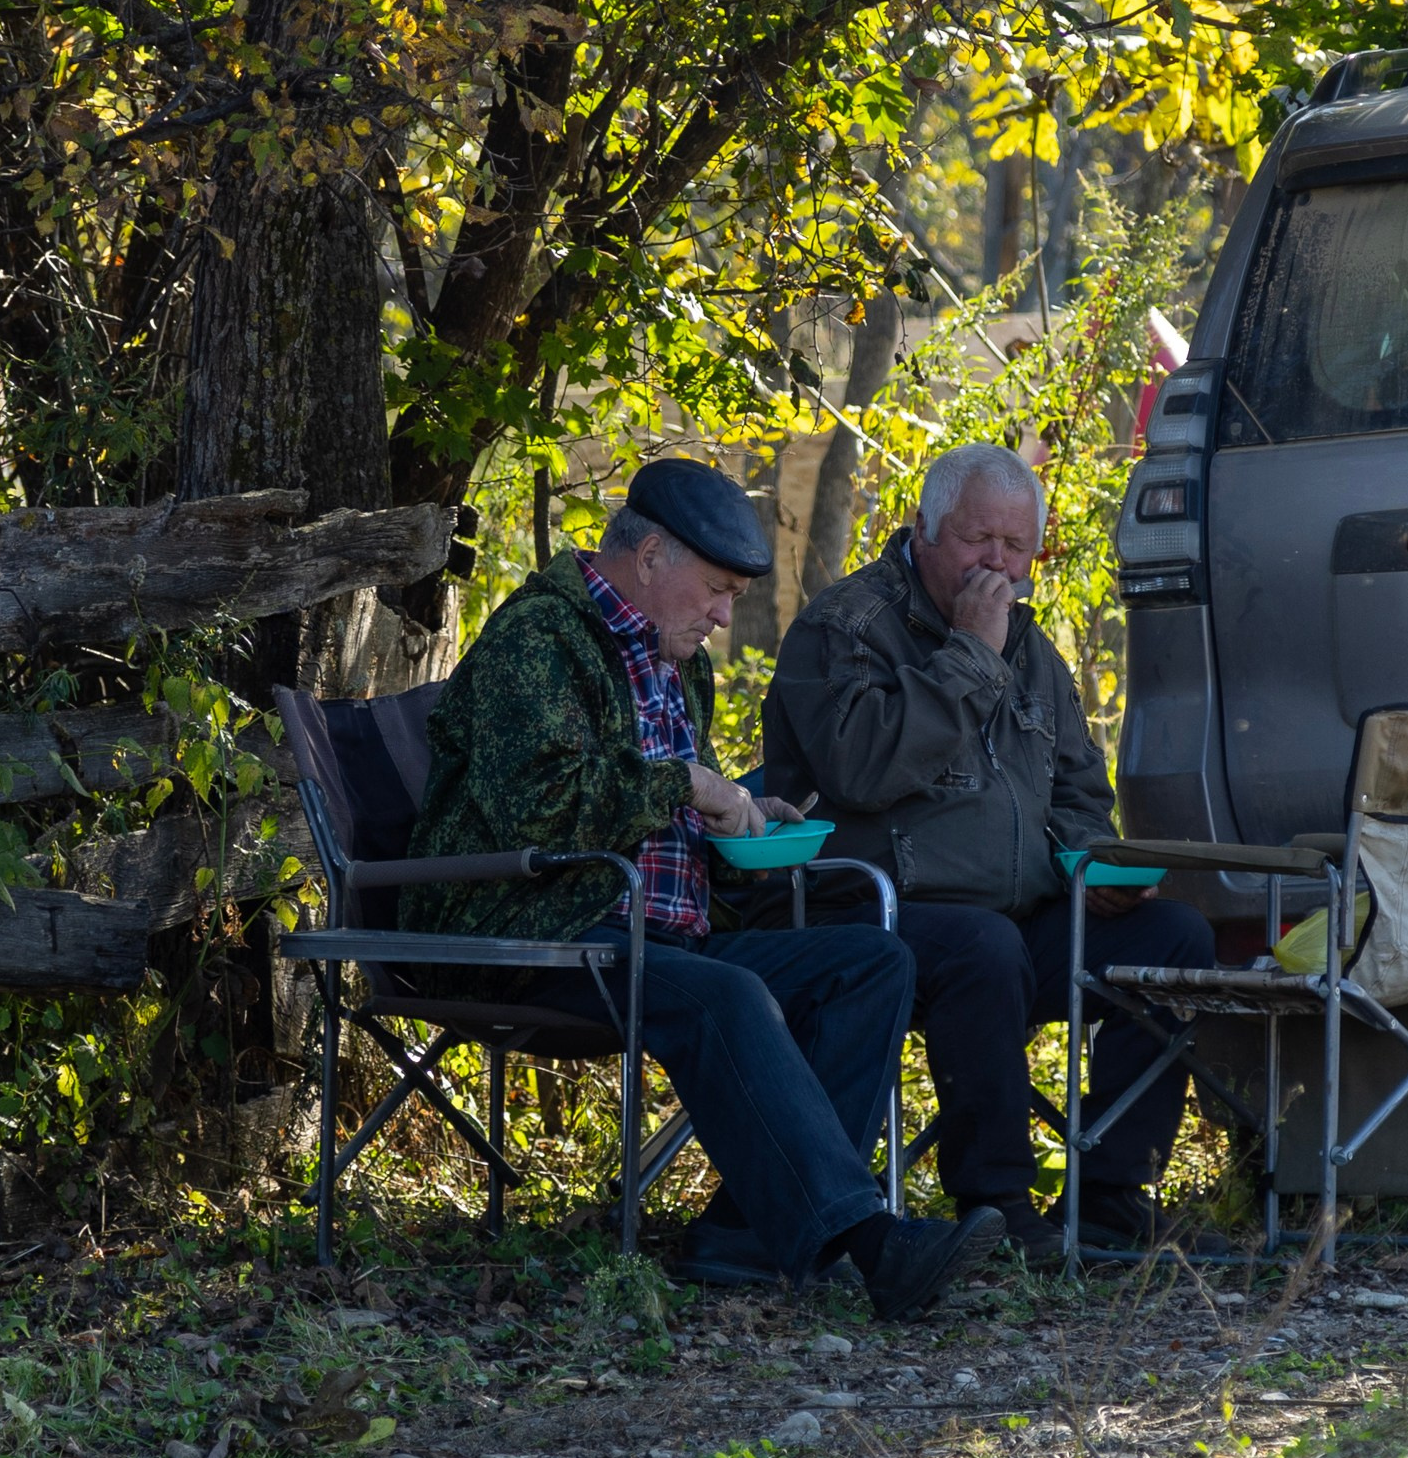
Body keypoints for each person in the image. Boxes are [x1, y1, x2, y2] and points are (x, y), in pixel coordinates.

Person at [400, 456, 1003, 1317]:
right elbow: (540, 806)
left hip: (658, 936)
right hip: (530, 927)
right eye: (717, 590)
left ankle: (745, 1238)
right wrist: (687, 785)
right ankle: (874, 1244)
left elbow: (673, 798)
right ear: (650, 559)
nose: (725, 617)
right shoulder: (539, 637)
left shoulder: (680, 663)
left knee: (873, 963)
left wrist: (746, 813)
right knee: (726, 994)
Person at [763, 442, 1218, 1259]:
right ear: (924, 530)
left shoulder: (1035, 651)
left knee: (1172, 936)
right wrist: (970, 654)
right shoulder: (845, 627)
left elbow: (1081, 792)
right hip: (872, 914)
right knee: (983, 945)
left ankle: (1113, 1192)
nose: (999, 565)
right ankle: (1000, 1202)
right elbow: (860, 769)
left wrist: (1090, 867)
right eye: (979, 541)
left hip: (1013, 917)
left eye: (1017, 546)